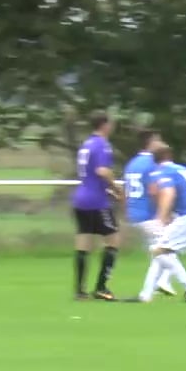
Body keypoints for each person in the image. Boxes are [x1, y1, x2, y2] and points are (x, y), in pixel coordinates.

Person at [137, 145, 186, 303]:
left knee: (158, 250)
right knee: (163, 251)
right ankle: (147, 294)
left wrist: (161, 218)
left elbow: (168, 193)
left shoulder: (164, 172)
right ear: (170, 155)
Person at [71, 112, 122, 301]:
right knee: (113, 241)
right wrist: (117, 189)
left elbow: (90, 175)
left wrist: (105, 189)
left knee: (83, 243)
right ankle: (101, 287)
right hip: (97, 202)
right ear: (105, 125)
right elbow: (102, 171)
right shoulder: (102, 144)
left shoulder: (86, 144)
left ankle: (79, 291)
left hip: (80, 198)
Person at [122, 130, 174, 298]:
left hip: (134, 214)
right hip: (148, 215)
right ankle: (178, 283)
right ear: (151, 143)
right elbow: (154, 190)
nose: (161, 144)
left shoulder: (132, 163)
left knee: (159, 253)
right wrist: (164, 213)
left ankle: (148, 292)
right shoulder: (152, 163)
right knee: (168, 249)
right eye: (158, 141)